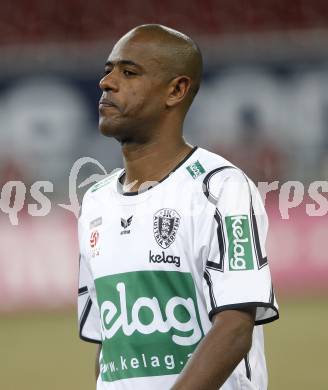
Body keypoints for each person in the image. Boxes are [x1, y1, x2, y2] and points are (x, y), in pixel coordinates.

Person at [77, 24, 279, 390]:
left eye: (128, 72)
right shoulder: (95, 202)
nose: (107, 82)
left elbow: (235, 327)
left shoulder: (220, 188)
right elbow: (110, 348)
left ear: (176, 90)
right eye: (108, 70)